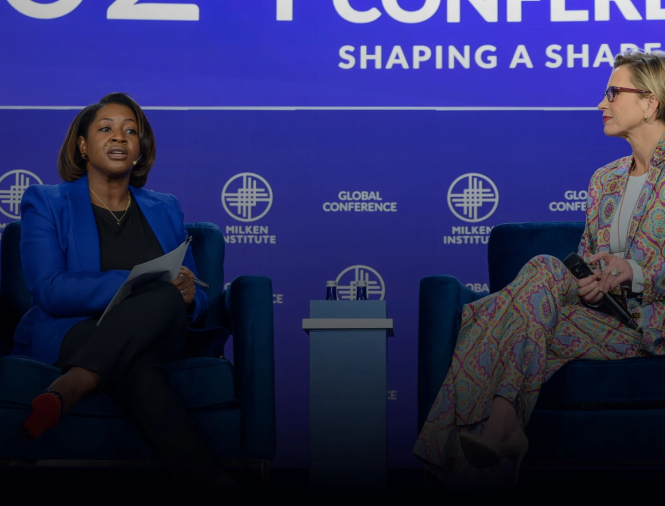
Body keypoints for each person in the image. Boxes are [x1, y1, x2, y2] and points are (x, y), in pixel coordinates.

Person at [414, 49, 665, 489]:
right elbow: (587, 254)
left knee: (492, 317)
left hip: (650, 327)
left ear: (650, 102)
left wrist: (636, 271)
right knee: (546, 270)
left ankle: (467, 450)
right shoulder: (604, 179)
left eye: (612, 92)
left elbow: (640, 267)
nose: (600, 104)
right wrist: (591, 276)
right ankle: (502, 432)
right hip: (599, 317)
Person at [12, 93, 237, 489]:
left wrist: (187, 296)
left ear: (140, 150)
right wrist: (138, 280)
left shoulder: (166, 207)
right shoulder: (47, 202)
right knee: (137, 361)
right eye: (106, 129)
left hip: (160, 328)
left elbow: (198, 294)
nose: (120, 137)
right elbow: (48, 290)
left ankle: (75, 382)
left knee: (168, 296)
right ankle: (207, 480)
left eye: (131, 131)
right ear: (82, 145)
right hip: (76, 330)